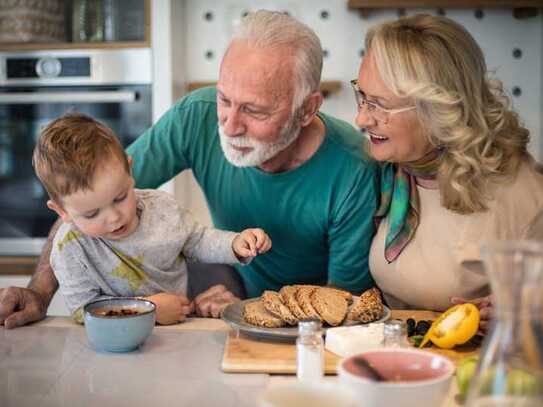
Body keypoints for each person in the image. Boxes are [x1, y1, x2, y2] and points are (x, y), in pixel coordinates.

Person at [0, 10, 378, 327]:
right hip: (231, 286)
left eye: (255, 110)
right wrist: (39, 292)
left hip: (305, 319)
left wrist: (257, 310)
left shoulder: (353, 168)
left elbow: (344, 304)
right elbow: (85, 195)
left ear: (307, 109)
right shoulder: (195, 117)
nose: (229, 126)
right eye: (224, 99)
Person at [354, 14, 543, 332]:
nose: (361, 119)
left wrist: (525, 312)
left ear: (437, 110)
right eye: (361, 96)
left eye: (379, 105)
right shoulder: (388, 169)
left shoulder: (521, 193)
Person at [32, 113, 272, 324]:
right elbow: (83, 311)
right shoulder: (69, 248)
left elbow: (197, 241)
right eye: (92, 213)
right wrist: (148, 310)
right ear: (61, 211)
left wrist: (235, 244)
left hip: (177, 334)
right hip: (111, 346)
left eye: (120, 197)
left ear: (129, 170)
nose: (114, 217)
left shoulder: (162, 208)